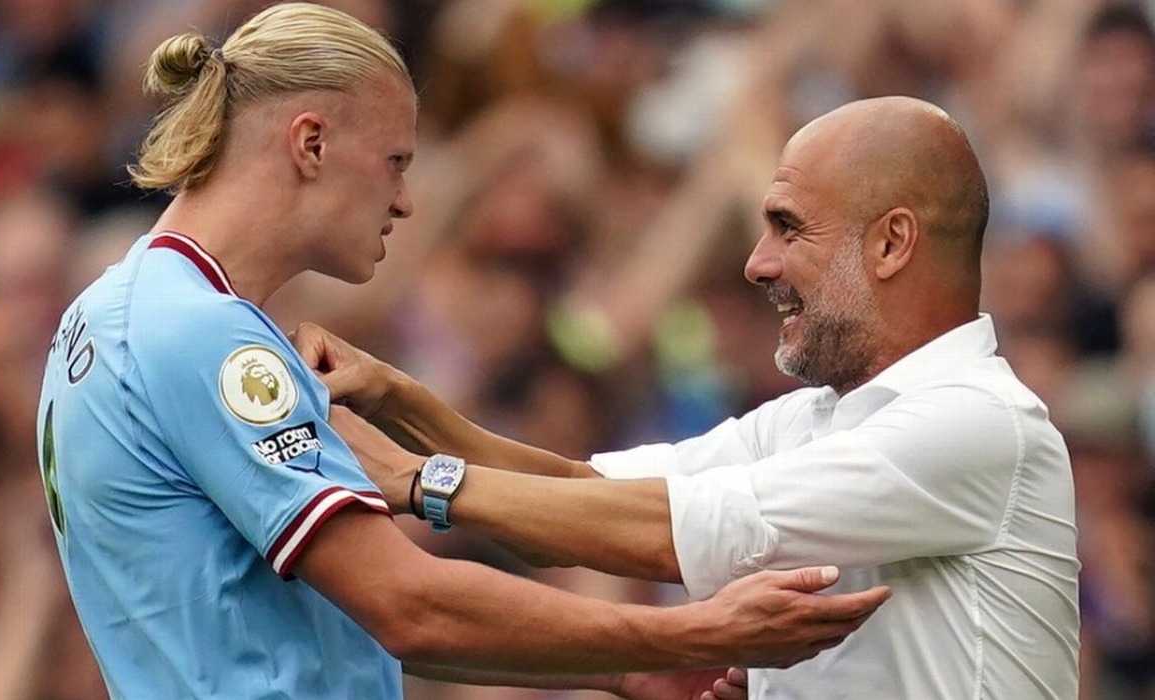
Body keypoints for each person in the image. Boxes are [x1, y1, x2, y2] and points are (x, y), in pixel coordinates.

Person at [34, 4, 893, 699]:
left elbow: (355, 625)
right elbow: (408, 606)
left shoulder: (106, 312)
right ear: (310, 143)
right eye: (397, 160)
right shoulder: (204, 335)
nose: (408, 201)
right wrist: (689, 630)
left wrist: (630, 666)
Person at [300, 95, 1081, 699]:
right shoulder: (814, 419)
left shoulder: (975, 421)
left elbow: (664, 533)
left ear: (891, 243)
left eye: (787, 228)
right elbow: (577, 500)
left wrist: (417, 480)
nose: (757, 263)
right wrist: (398, 398)